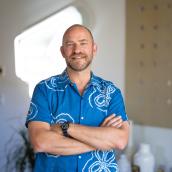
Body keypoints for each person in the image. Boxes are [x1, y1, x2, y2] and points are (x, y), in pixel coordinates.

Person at [26, 24, 129, 172]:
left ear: (94, 48)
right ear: (62, 51)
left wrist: (66, 128)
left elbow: (120, 140)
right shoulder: (44, 90)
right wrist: (101, 140)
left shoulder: (111, 92)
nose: (77, 50)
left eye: (83, 43)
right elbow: (40, 142)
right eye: (70, 44)